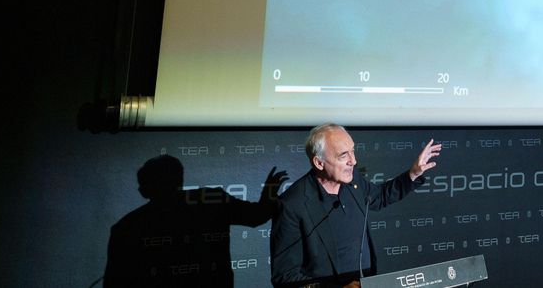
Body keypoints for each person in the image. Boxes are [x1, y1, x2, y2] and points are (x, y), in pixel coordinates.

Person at [270, 123, 442, 288]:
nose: (353, 161)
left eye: (353, 151)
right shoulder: (292, 205)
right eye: (343, 155)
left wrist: (413, 174)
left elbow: (379, 196)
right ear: (319, 162)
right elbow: (285, 276)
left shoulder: (353, 181)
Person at [105, 154, 288, 288]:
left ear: (144, 190)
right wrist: (269, 192)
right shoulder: (212, 200)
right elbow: (257, 216)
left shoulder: (126, 227)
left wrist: (269, 193)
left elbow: (114, 282)